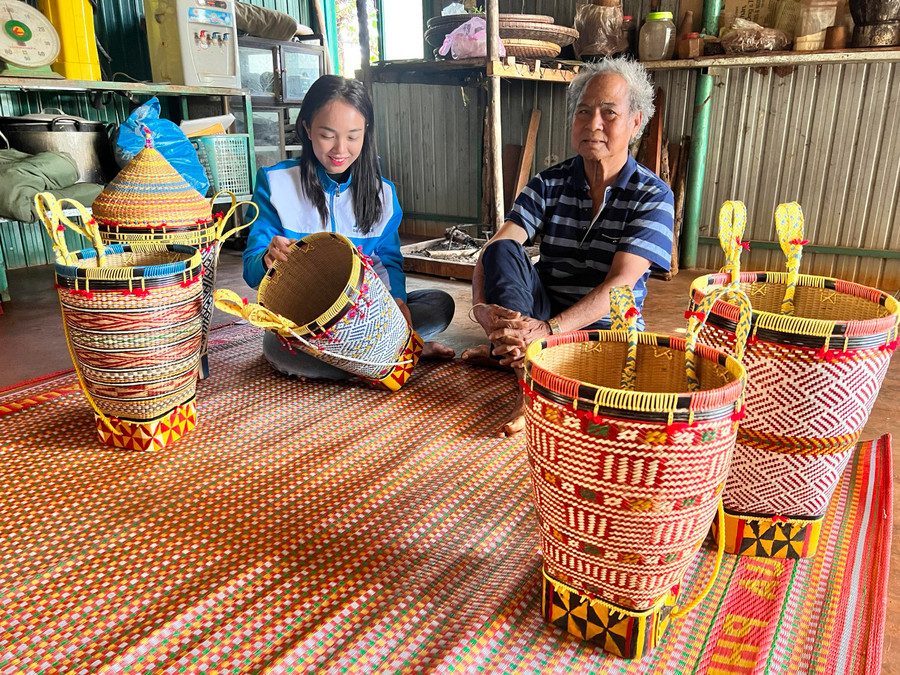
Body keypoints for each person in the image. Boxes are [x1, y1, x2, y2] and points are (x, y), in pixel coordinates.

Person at [463, 58, 674, 435]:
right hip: (541, 314)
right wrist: (480, 309)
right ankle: (522, 356)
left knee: (606, 369)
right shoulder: (549, 183)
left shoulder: (652, 195)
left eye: (609, 113)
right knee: (503, 250)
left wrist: (549, 329)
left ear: (635, 122)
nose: (594, 124)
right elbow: (497, 247)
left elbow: (621, 286)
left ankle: (526, 377)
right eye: (583, 111)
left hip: (606, 331)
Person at [243, 74, 455, 380]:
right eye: (327, 135)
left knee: (440, 304)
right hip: (310, 323)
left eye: (353, 136)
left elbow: (388, 260)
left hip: (368, 316)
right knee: (279, 348)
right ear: (306, 128)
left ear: (366, 131)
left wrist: (397, 301)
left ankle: (366, 357)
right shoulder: (276, 184)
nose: (340, 149)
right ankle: (397, 355)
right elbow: (251, 271)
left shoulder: (383, 193)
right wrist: (266, 258)